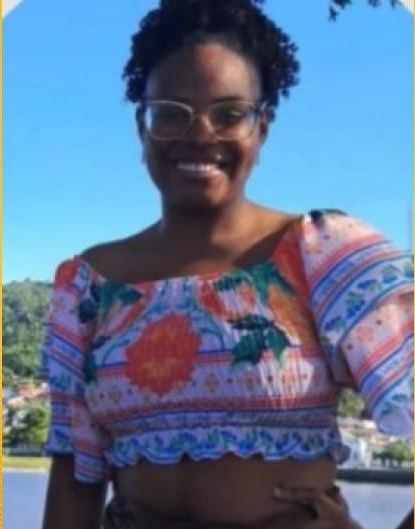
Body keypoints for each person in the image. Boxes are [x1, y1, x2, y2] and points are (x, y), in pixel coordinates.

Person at [40, 1, 413, 528]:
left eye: (230, 114)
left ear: (262, 127)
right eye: (171, 112)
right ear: (142, 126)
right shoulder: (90, 288)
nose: (200, 134)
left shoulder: (323, 255)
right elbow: (73, 485)